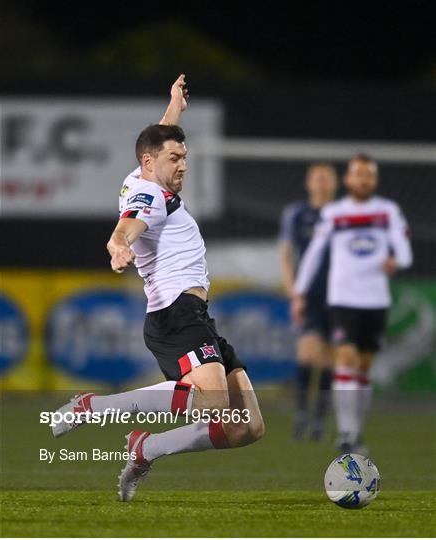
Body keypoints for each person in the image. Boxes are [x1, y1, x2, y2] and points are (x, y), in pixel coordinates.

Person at [52, 74, 265, 501]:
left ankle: (146, 447)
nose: (182, 164)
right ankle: (91, 409)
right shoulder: (152, 196)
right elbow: (127, 226)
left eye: (184, 155)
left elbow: (157, 142)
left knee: (246, 426)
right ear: (152, 163)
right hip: (176, 314)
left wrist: (175, 108)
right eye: (174, 158)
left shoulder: (140, 175)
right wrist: (118, 245)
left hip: (195, 315)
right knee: (214, 403)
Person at [292, 154, 412, 452]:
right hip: (343, 299)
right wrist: (300, 293)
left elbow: (405, 251)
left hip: (376, 300)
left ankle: (355, 430)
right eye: (358, 174)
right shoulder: (334, 213)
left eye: (368, 175)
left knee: (363, 369)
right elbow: (313, 255)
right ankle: (346, 434)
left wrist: (396, 260)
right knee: (345, 360)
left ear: (374, 180)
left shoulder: (387, 211)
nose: (363, 180)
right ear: (348, 179)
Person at [279, 163, 337, 440]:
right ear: (309, 182)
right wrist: (294, 293)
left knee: (329, 359)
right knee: (307, 353)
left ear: (335, 183)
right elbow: (287, 255)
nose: (322, 183)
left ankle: (318, 419)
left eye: (327, 178)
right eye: (318, 178)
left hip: (339, 297)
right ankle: (303, 412)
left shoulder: (343, 215)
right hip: (309, 296)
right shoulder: (297, 214)